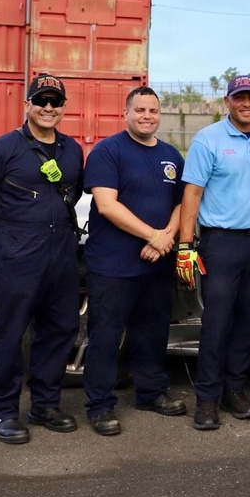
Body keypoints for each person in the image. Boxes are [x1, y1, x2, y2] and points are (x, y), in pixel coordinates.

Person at [0, 73, 84, 444]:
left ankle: (45, 405)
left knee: (60, 329)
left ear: (63, 108)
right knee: (11, 334)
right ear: (27, 104)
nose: (48, 107)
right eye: (41, 100)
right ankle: (2, 411)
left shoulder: (72, 150)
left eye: (55, 101)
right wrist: (9, 230)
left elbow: (74, 194)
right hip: (18, 258)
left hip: (61, 255)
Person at [82, 86, 186, 436]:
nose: (146, 116)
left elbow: (182, 202)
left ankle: (151, 393)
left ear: (160, 115)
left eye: (153, 111)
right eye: (139, 110)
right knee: (106, 336)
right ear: (125, 113)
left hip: (157, 264)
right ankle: (99, 405)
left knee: (152, 333)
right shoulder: (108, 151)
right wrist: (152, 235)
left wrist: (166, 237)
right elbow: (107, 205)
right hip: (113, 267)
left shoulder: (171, 155)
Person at [177, 74, 250, 431]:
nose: (246, 104)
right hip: (220, 242)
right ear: (227, 101)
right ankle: (207, 399)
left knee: (246, 321)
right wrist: (186, 245)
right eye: (239, 97)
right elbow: (192, 194)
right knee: (216, 323)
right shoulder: (208, 140)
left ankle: (235, 390)